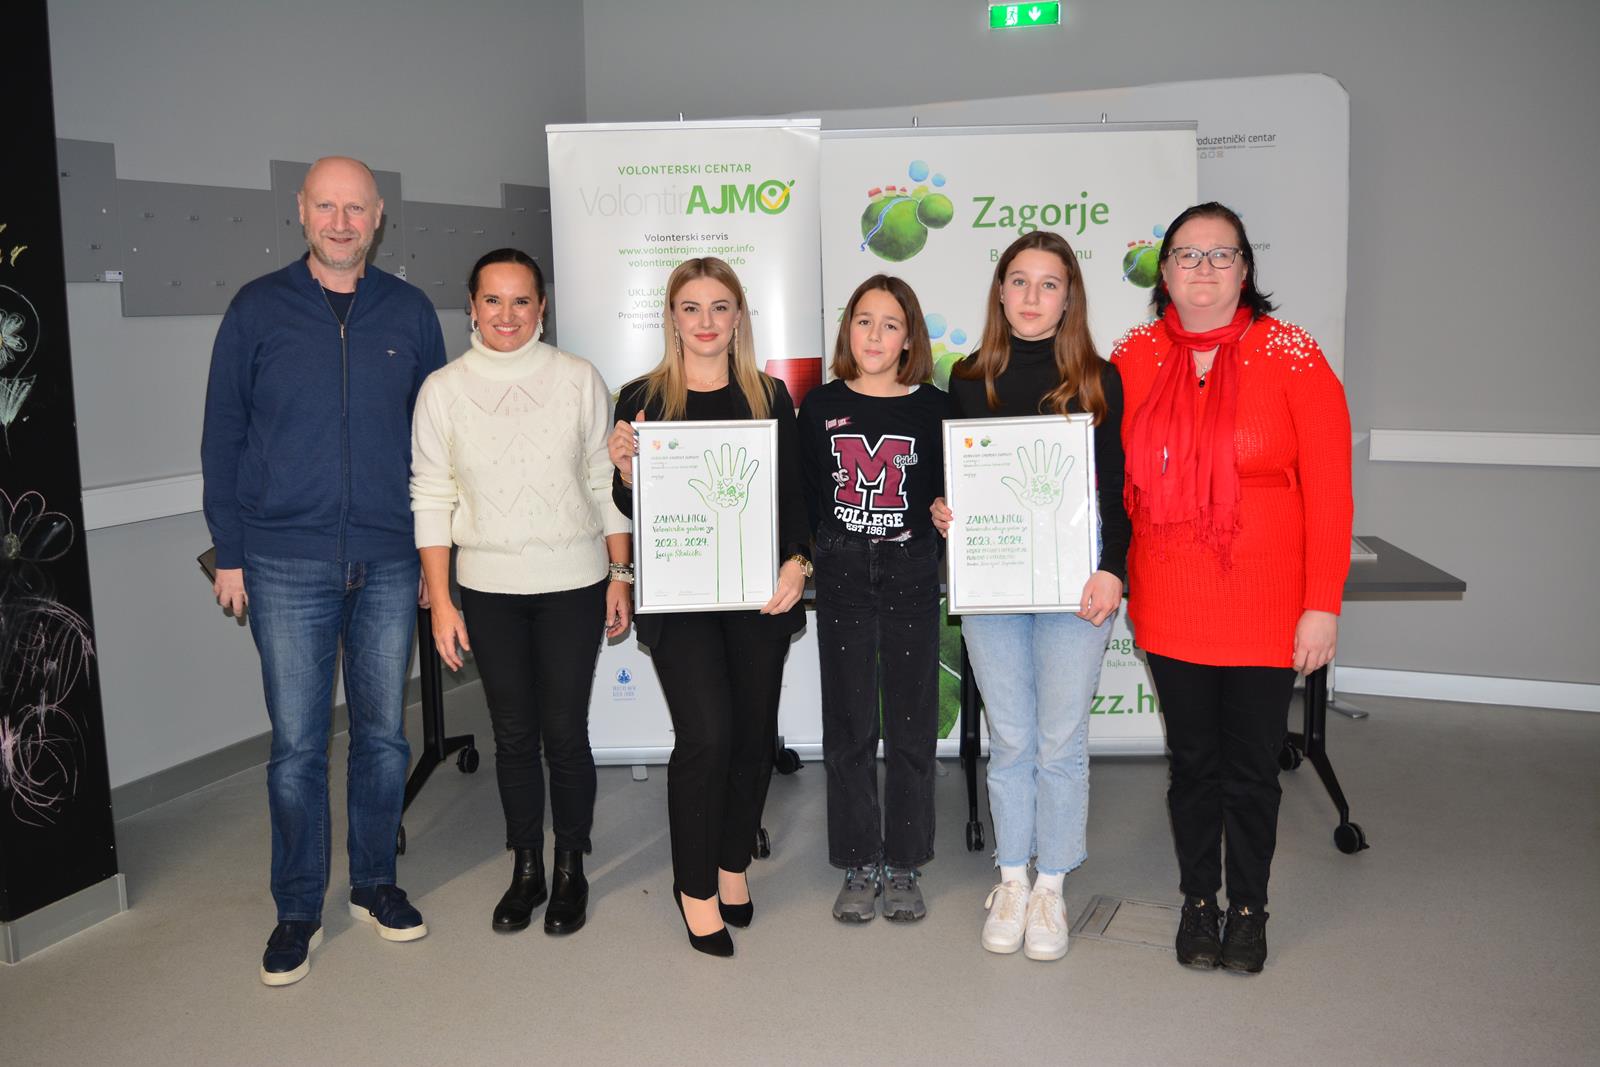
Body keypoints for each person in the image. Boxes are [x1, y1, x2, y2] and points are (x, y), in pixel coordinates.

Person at [202, 156, 447, 986]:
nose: (341, 222)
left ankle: (374, 884)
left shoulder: (410, 312)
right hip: (282, 561)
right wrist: (230, 550)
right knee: (299, 747)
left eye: (356, 208)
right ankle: (299, 908)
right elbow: (223, 432)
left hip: (389, 557)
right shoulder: (257, 309)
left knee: (382, 738)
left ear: (378, 217)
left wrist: (434, 557)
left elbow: (435, 445)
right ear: (302, 212)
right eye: (326, 207)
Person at [1111, 201, 1352, 974]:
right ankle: (1197, 901)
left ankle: (1248, 908)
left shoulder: (1292, 354)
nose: (1205, 268)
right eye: (1188, 254)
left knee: (1250, 769)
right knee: (1193, 765)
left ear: (1246, 269)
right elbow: (1098, 476)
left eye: (1222, 254)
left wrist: (1322, 603)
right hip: (1170, 598)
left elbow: (1331, 489)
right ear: (1165, 272)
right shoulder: (1133, 357)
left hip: (1268, 602)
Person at [410, 248, 631, 937]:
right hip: (488, 589)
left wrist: (620, 574)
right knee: (512, 735)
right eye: (493, 300)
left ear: (542, 308)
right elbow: (431, 496)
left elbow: (603, 482)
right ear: (472, 308)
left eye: (522, 300)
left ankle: (570, 865)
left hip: (574, 584)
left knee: (564, 732)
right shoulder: (442, 390)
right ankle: (526, 865)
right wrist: (442, 601)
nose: (507, 314)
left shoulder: (578, 379)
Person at [932, 231, 1130, 961]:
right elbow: (953, 481)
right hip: (994, 585)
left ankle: (1052, 884)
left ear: (1069, 297)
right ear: (1000, 290)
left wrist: (1113, 569)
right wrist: (943, 509)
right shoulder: (967, 377)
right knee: (1012, 737)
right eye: (1019, 280)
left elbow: (1117, 488)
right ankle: (1011, 876)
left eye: (1049, 284)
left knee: (1060, 739)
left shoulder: (1100, 379)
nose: (1032, 296)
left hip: (1076, 588)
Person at [607, 257, 809, 957]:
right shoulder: (641, 397)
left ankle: (731, 865)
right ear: (671, 317)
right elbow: (633, 506)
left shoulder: (769, 396)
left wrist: (799, 561)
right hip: (681, 599)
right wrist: (627, 470)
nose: (705, 321)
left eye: (720, 307)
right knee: (707, 736)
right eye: (690, 307)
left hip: (758, 596)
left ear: (738, 317)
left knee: (753, 737)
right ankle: (694, 888)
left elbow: (793, 495)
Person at [798, 275, 952, 924]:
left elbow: (951, 491)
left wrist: (948, 514)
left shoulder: (936, 408)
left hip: (911, 571)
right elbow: (806, 495)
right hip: (843, 574)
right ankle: (859, 860)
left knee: (912, 726)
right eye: (864, 320)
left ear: (910, 338)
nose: (875, 335)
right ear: (848, 329)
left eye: (891, 324)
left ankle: (906, 861)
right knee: (849, 725)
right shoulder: (820, 405)